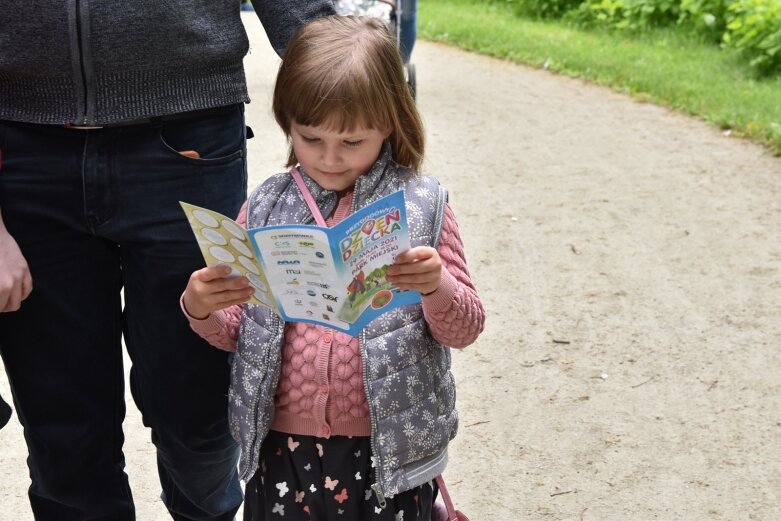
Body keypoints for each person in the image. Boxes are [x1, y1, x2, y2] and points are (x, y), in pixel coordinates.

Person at [0, 1, 335, 520]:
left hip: (190, 145)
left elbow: (313, 26)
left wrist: (370, 158)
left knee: (197, 412)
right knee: (62, 427)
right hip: (20, 153)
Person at [180, 15, 486, 521]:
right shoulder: (267, 205)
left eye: (352, 142)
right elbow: (238, 331)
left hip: (386, 454)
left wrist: (437, 286)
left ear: (389, 121)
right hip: (282, 448)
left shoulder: (421, 206)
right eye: (310, 138)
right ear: (288, 123)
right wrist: (200, 306)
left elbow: (466, 328)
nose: (330, 158)